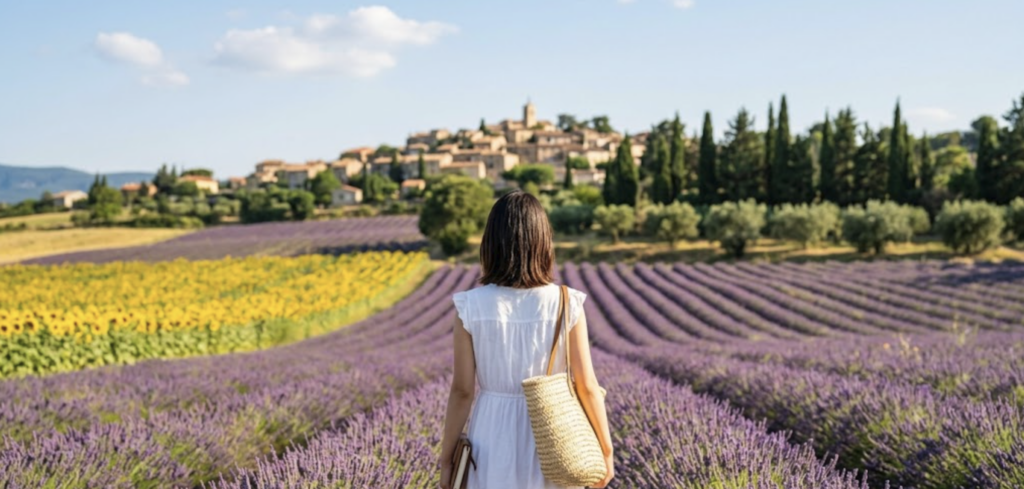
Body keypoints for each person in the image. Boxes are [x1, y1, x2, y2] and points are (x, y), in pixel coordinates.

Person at [438, 191, 614, 489]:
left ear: (490, 243)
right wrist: (606, 453)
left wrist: (446, 460)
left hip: (491, 433)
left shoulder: (470, 306)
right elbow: (586, 386)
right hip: (554, 434)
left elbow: (463, 391)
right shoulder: (566, 302)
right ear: (543, 241)